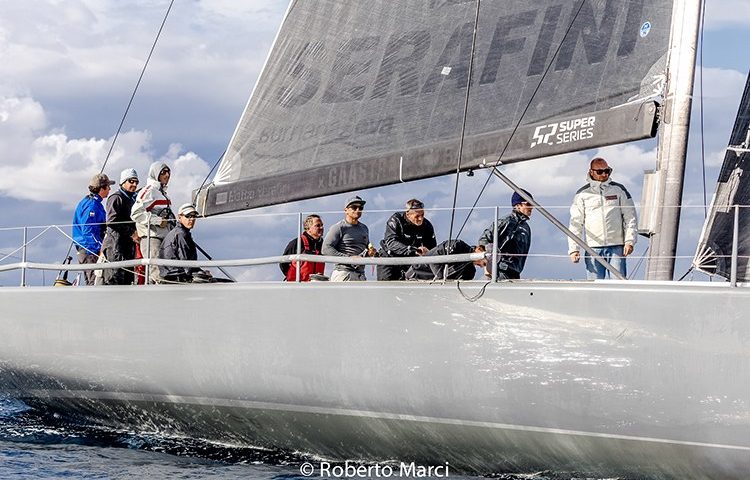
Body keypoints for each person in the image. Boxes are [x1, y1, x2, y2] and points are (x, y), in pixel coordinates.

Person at [568, 157, 637, 279]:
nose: (604, 174)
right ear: (591, 172)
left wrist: (629, 241)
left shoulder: (619, 190)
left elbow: (630, 216)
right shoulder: (582, 194)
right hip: (592, 248)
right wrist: (574, 249)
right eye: (600, 172)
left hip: (617, 247)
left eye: (607, 171)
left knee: (619, 285)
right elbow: (575, 223)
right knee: (595, 288)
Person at [131, 161, 175, 283]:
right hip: (152, 239)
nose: (167, 175)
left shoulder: (163, 194)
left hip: (164, 239)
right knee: (156, 272)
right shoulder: (149, 190)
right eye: (163, 172)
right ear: (155, 174)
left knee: (164, 272)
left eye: (168, 172)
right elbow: (136, 213)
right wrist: (158, 220)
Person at [478, 189, 534, 280]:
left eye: (532, 204)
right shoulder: (506, 222)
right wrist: (490, 260)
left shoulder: (526, 228)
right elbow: (484, 239)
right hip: (500, 271)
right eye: (528, 204)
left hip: (515, 272)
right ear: (518, 205)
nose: (532, 207)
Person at [376, 199, 437, 281]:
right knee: (386, 287)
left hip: (410, 259)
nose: (420, 219)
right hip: (389, 258)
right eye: (417, 216)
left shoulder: (427, 225)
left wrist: (427, 252)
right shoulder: (395, 220)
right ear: (408, 214)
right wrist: (414, 250)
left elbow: (433, 248)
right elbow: (391, 243)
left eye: (422, 215)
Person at [72, 173, 115, 285]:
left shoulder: (92, 202)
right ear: (102, 188)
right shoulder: (92, 205)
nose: (110, 189)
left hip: (87, 249)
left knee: (93, 282)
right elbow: (88, 231)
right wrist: (100, 248)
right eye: (108, 186)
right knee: (94, 283)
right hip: (89, 251)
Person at [322, 195, 376, 281]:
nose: (358, 210)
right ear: (346, 210)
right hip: (343, 273)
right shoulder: (339, 227)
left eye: (361, 207)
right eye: (354, 207)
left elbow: (364, 250)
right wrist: (349, 259)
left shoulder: (364, 228)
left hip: (360, 274)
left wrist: (370, 253)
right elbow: (325, 249)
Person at [102, 168, 139, 285]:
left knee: (128, 280)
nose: (134, 184)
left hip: (127, 247)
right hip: (115, 246)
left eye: (136, 182)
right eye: (131, 181)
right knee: (114, 279)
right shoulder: (116, 198)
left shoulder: (133, 199)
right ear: (123, 182)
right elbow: (112, 221)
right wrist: (132, 233)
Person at [158, 203, 211, 283]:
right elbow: (185, 262)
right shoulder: (180, 234)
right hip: (175, 278)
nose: (192, 219)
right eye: (188, 216)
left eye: (194, 216)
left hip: (177, 274)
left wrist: (200, 271)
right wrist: (199, 274)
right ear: (179, 217)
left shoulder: (182, 233)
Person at [405, 240, 486, 281]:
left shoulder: (470, 272)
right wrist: (440, 281)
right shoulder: (458, 245)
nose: (481, 266)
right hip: (416, 275)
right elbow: (434, 258)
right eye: (484, 262)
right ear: (479, 249)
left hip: (431, 288)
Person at [280, 214, 325, 281]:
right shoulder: (297, 243)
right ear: (308, 228)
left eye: (322, 225)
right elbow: (283, 263)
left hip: (316, 286)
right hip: (297, 285)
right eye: (317, 225)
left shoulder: (323, 244)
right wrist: (292, 277)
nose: (321, 228)